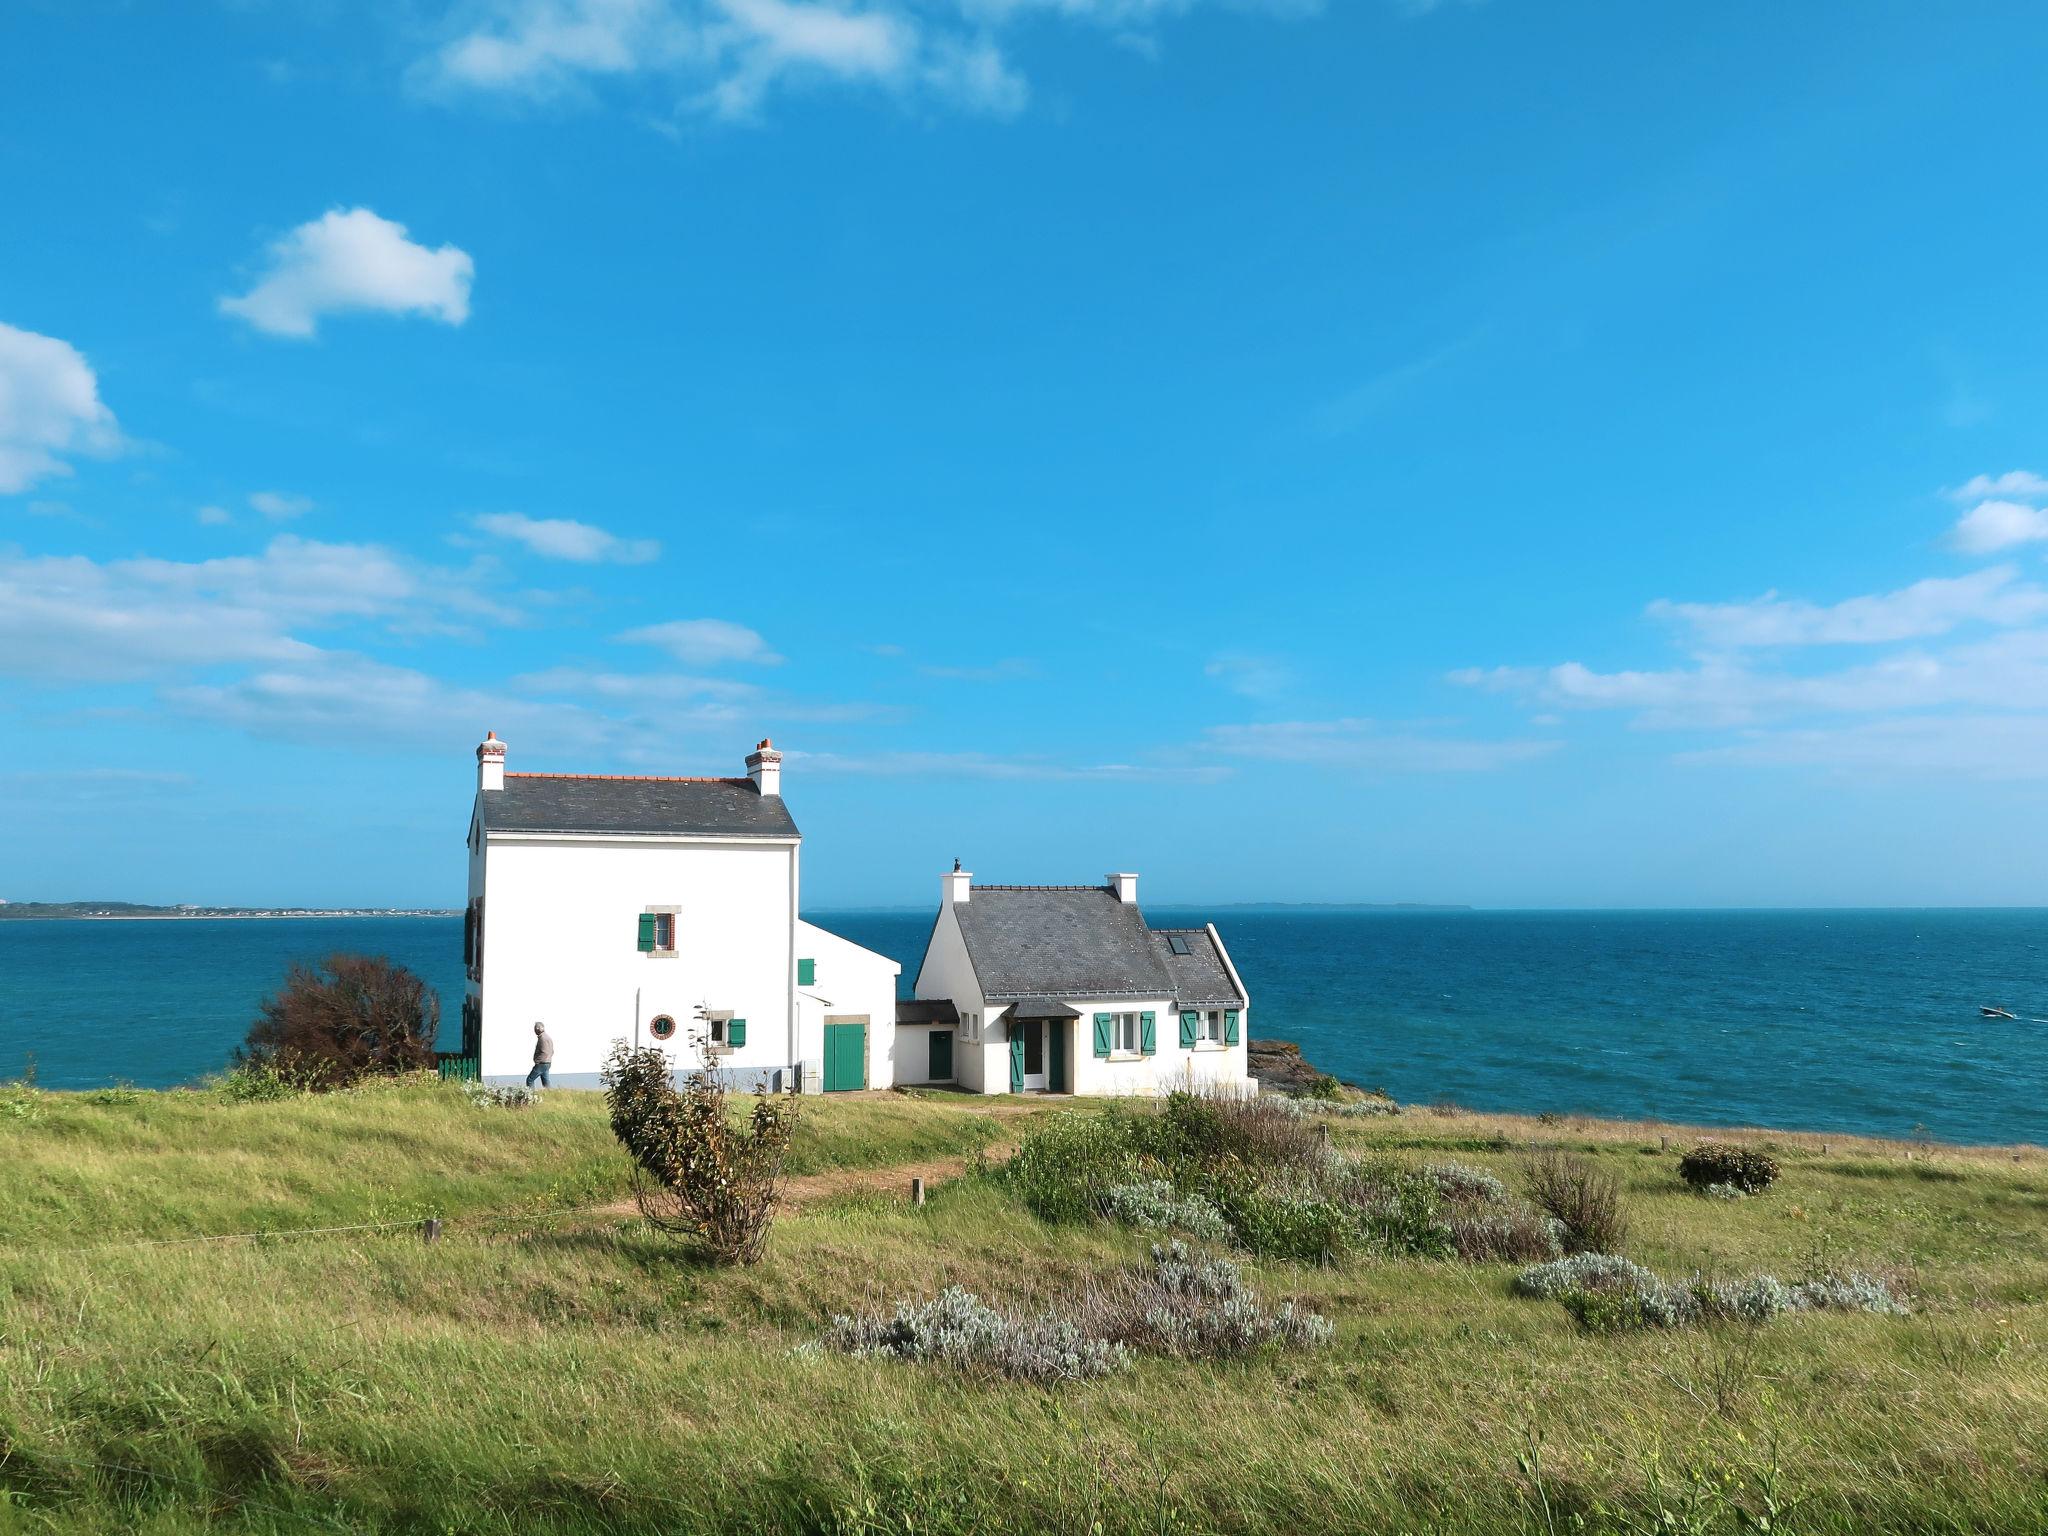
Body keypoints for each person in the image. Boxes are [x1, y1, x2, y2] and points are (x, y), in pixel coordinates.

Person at [527, 1021, 554, 1088]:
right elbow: (552, 1051)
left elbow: (544, 1052)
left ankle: (531, 1096)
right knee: (546, 1082)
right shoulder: (548, 1037)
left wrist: (537, 1061)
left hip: (542, 1063)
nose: (534, 1031)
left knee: (529, 1080)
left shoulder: (542, 1038)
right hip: (547, 1063)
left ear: (538, 1029)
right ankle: (550, 1095)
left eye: (535, 1029)